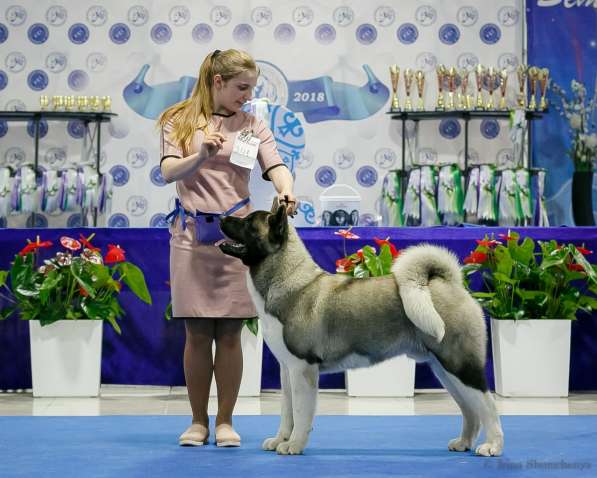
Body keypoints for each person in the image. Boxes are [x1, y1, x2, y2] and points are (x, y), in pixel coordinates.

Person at [158, 49, 296, 447]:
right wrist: (200, 155)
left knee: (232, 334)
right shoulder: (178, 119)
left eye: (251, 88)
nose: (247, 95)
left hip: (238, 242)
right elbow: (168, 171)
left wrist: (286, 189)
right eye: (241, 87)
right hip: (190, 237)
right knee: (197, 333)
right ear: (217, 82)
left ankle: (225, 423)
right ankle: (198, 422)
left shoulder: (252, 125)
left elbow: (275, 166)